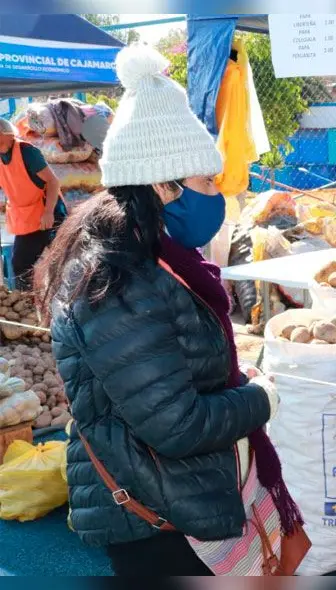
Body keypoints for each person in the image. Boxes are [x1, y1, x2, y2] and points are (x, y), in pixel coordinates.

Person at [33, 45, 300, 576]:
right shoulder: (117, 282)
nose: (217, 195)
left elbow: (172, 375)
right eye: (207, 182)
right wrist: (259, 399)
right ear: (161, 186)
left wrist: (233, 379)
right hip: (152, 515)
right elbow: (177, 425)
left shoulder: (158, 258)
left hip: (175, 492)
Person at [0, 118, 66, 290]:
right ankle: (27, 302)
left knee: (63, 262)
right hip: (26, 217)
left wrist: (48, 212)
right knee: (21, 265)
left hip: (48, 214)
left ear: (6, 134)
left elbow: (53, 182)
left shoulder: (27, 152)